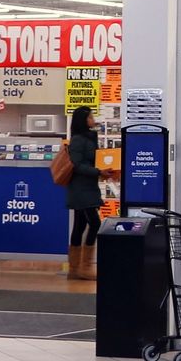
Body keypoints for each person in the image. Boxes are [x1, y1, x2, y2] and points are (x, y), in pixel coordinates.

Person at [66, 105, 103, 282]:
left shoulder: (90, 137)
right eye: (90, 117)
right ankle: (85, 267)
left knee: (80, 225)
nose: (93, 119)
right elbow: (77, 164)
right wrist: (98, 171)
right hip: (81, 188)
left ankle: (75, 269)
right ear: (83, 120)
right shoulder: (78, 140)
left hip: (88, 186)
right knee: (94, 223)